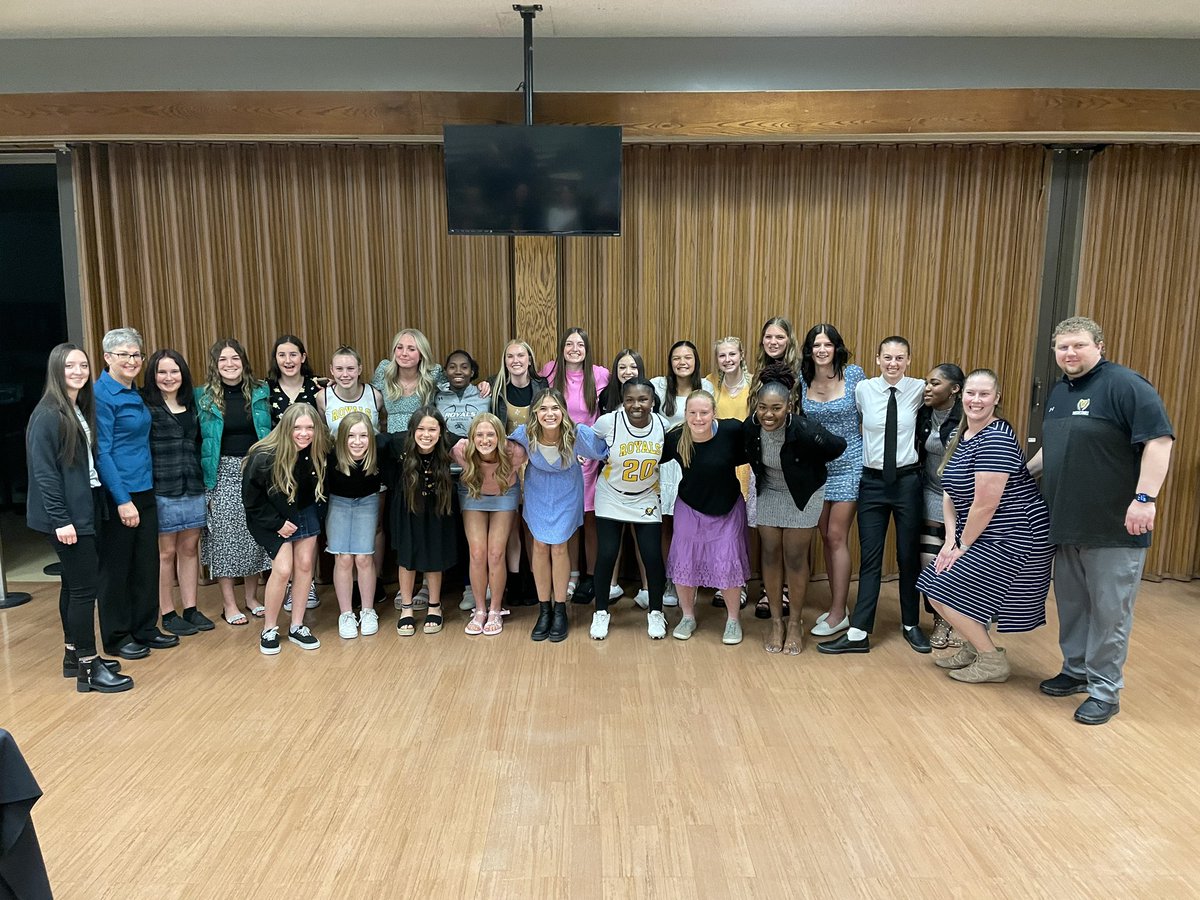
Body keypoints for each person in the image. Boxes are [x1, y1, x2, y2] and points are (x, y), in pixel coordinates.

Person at [1028, 317, 1174, 725]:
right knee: (1073, 605)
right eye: (1061, 347)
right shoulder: (1059, 392)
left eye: (1077, 345)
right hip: (1066, 520)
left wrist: (1145, 499)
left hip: (1114, 526)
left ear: (1100, 346)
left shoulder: (1126, 386)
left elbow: (1159, 442)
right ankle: (1075, 670)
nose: (1069, 354)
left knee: (1110, 612)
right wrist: (1021, 473)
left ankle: (1105, 691)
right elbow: (1055, 451)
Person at [918, 368, 1054, 684]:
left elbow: (985, 504)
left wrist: (961, 547)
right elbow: (949, 492)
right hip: (981, 530)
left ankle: (991, 659)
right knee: (942, 584)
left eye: (984, 394)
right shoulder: (957, 435)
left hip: (1017, 534)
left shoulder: (997, 438)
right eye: (971, 393)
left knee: (941, 590)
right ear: (961, 395)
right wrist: (950, 540)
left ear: (996, 398)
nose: (976, 400)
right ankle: (974, 648)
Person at [26, 344, 133, 692]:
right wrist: (61, 520)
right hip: (67, 515)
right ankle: (90, 665)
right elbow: (44, 474)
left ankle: (74, 656)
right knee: (86, 590)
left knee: (74, 586)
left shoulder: (77, 407)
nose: (77, 371)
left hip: (86, 504)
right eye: (69, 365)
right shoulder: (47, 414)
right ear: (56, 370)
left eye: (83, 365)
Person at [819, 336, 930, 655]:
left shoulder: (918, 389)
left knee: (908, 556)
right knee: (870, 558)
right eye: (888, 358)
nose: (893, 364)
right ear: (877, 359)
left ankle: (911, 623)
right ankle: (858, 632)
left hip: (907, 482)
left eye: (900, 358)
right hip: (872, 482)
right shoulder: (863, 390)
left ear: (908, 360)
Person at [744, 364, 846, 654]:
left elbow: (837, 445)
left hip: (803, 494)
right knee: (770, 552)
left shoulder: (803, 428)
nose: (768, 414)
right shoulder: (750, 427)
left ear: (788, 406)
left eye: (776, 408)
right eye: (763, 407)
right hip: (770, 492)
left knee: (795, 556)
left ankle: (796, 623)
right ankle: (777, 622)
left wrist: (813, 464)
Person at [94, 327, 178, 659]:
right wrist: (122, 500)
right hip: (120, 494)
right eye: (124, 354)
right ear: (108, 358)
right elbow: (103, 453)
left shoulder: (136, 393)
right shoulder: (102, 395)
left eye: (136, 355)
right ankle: (117, 636)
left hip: (146, 489)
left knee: (145, 564)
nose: (132, 361)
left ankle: (145, 628)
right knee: (117, 568)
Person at [508, 388, 608, 642]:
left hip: (566, 493)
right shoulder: (524, 435)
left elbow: (604, 451)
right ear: (534, 413)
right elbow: (503, 455)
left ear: (563, 411)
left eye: (554, 408)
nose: (549, 413)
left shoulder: (577, 434)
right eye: (543, 408)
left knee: (560, 547)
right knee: (540, 546)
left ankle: (560, 609)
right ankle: (544, 610)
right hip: (538, 493)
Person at [661, 390, 751, 645]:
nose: (698, 418)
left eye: (704, 412)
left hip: (728, 507)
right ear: (686, 414)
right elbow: (650, 455)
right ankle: (687, 616)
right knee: (685, 561)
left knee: (727, 560)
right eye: (693, 413)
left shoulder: (731, 431)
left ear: (714, 413)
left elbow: (757, 447)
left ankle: (733, 620)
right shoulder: (677, 437)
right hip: (690, 506)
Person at [196, 338, 272, 626]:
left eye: (235, 358)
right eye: (223, 359)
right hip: (221, 472)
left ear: (244, 361)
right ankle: (229, 604)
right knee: (225, 539)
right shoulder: (202, 397)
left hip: (254, 470)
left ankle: (252, 599)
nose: (230, 364)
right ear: (215, 365)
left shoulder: (260, 392)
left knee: (254, 536)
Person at [243, 402, 330, 655]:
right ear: (285, 428)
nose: (304, 433)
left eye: (310, 427)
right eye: (298, 427)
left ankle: (297, 626)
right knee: (282, 569)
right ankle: (269, 628)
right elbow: (251, 501)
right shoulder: (263, 456)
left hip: (304, 511)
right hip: (270, 517)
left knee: (304, 566)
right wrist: (277, 524)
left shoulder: (317, 452)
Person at [588, 377, 669, 641]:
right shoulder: (608, 422)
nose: (636, 405)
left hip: (645, 497)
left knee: (652, 556)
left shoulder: (662, 425)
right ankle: (600, 611)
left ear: (652, 401)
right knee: (608, 553)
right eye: (630, 399)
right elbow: (588, 442)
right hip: (611, 495)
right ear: (623, 401)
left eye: (643, 399)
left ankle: (656, 611)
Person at [798, 323, 865, 636]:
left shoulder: (854, 376)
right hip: (816, 468)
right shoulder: (802, 378)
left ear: (836, 347)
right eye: (815, 345)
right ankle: (837, 605)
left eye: (827, 344)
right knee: (824, 534)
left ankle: (839, 612)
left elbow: (871, 415)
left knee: (837, 535)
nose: (821, 350)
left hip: (850, 464)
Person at [143, 348, 212, 637]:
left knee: (188, 549)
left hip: (193, 486)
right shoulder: (146, 405)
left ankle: (191, 608)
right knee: (165, 553)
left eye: (174, 371)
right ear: (153, 376)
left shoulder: (192, 404)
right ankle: (168, 612)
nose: (169, 377)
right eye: (162, 372)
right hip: (162, 488)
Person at [540, 327, 609, 603]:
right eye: (569, 344)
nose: (574, 349)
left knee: (590, 520)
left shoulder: (600, 374)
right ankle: (572, 574)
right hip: (561, 457)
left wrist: (591, 451)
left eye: (579, 344)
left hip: (590, 458)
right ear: (562, 347)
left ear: (586, 348)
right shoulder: (549, 371)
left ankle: (591, 577)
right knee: (568, 520)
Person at [452, 412, 528, 636]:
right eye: (479, 435)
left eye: (491, 435)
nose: (485, 440)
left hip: (504, 493)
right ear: (472, 437)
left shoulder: (514, 453)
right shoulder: (461, 450)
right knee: (477, 552)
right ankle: (480, 609)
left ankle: (495, 609)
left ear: (500, 436)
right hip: (472, 493)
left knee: (495, 553)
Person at [650, 340, 713, 609]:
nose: (682, 362)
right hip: (666, 462)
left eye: (688, 357)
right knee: (667, 525)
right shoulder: (659, 386)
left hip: (694, 463)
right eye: (677, 358)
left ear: (696, 361)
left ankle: (694, 578)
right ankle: (671, 579)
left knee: (693, 526)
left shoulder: (705, 387)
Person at [387, 406, 458, 637]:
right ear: (411, 431)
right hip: (407, 507)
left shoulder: (449, 444)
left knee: (434, 555)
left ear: (441, 432)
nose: (426, 435)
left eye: (432, 429)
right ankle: (406, 608)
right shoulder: (397, 444)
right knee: (407, 557)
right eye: (420, 429)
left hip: (437, 507)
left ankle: (434, 605)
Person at [595, 348, 655, 605]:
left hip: (644, 481)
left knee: (644, 538)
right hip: (612, 477)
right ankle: (610, 585)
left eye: (632, 367)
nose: (627, 372)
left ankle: (647, 588)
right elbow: (595, 438)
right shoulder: (605, 400)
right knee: (611, 538)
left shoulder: (650, 397)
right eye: (622, 367)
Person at [490, 339, 548, 605]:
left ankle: (536, 583)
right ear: (505, 361)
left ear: (529, 359)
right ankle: (514, 583)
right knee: (511, 523)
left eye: (521, 355)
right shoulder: (495, 389)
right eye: (510, 356)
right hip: (507, 465)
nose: (516, 360)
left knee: (532, 525)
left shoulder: (542, 387)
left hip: (537, 465)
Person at [325, 411, 386, 640]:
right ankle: (346, 614)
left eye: (363, 436)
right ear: (342, 438)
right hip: (338, 502)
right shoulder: (330, 456)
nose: (357, 441)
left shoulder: (379, 453)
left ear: (371, 437)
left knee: (363, 557)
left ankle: (368, 611)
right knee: (343, 558)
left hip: (367, 501)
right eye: (351, 436)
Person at [916, 364, 965, 649]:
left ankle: (962, 619)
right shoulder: (924, 413)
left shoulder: (967, 417)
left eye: (935, 384)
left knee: (959, 560)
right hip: (932, 492)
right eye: (926, 383)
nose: (928, 388)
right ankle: (939, 618)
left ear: (954, 389)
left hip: (962, 498)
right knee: (930, 560)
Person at [704, 336, 754, 610]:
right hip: (719, 462)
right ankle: (721, 580)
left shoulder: (753, 384)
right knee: (723, 524)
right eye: (722, 355)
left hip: (746, 461)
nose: (727, 360)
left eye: (732, 354)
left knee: (741, 526)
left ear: (741, 354)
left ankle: (739, 583)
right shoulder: (710, 384)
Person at [317, 345, 384, 434]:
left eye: (350, 368)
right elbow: (323, 433)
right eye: (339, 369)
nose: (345, 374)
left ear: (359, 369)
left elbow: (383, 428)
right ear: (332, 370)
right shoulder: (323, 398)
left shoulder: (375, 396)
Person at [266, 334, 322, 427]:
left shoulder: (317, 385)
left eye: (293, 355)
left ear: (303, 357)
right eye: (282, 355)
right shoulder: (265, 388)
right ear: (276, 358)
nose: (288, 360)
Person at [436, 349, 491, 439]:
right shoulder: (436, 396)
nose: (458, 371)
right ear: (445, 372)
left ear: (472, 372)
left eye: (464, 367)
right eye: (452, 367)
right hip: (446, 450)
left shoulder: (485, 395)